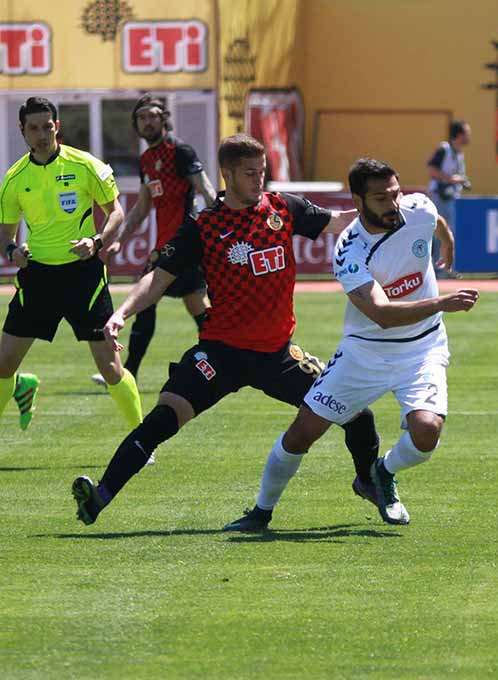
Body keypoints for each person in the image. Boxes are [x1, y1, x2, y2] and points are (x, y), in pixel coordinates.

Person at [71, 134, 381, 525]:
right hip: (221, 354)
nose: (259, 179)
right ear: (228, 174)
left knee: (356, 412)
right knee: (165, 416)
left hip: (278, 357)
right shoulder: (203, 226)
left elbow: (338, 224)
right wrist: (122, 314)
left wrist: (382, 211)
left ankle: (369, 481)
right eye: (250, 173)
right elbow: (157, 279)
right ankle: (99, 496)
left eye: (262, 171)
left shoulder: (284, 209)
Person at [223, 158, 479, 532]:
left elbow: (436, 223)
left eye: (395, 193)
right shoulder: (350, 250)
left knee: (426, 433)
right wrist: (442, 302)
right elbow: (382, 314)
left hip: (422, 348)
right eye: (381, 198)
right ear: (358, 202)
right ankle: (261, 511)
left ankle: (380, 473)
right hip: (365, 352)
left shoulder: (418, 207)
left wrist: (448, 247)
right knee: (302, 433)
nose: (393, 204)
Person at [0, 97, 142, 432]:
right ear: (22, 131)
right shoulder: (14, 178)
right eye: (33, 128)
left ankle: (142, 439)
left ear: (57, 126)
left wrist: (96, 242)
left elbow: (116, 213)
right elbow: (6, 231)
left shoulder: (85, 165)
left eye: (46, 126)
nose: (41, 134)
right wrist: (11, 251)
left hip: (84, 277)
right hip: (37, 277)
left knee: (110, 367)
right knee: (4, 365)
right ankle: (23, 385)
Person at [91, 94, 216, 387]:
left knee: (147, 301)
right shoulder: (146, 160)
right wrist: (118, 239)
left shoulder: (181, 151)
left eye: (153, 115)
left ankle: (128, 373)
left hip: (183, 244)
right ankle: (224, 361)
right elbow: (142, 208)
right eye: (142, 117)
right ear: (136, 123)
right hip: (164, 244)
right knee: (196, 306)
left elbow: (207, 191)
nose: (147, 121)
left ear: (164, 118)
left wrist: (215, 231)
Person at [426, 120, 471, 276]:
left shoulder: (458, 153)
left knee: (447, 235)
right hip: (439, 197)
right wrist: (451, 179)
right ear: (459, 135)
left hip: (449, 197)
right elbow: (431, 169)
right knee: (439, 235)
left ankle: (444, 270)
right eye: (466, 133)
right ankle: (437, 271)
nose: (469, 136)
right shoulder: (444, 149)